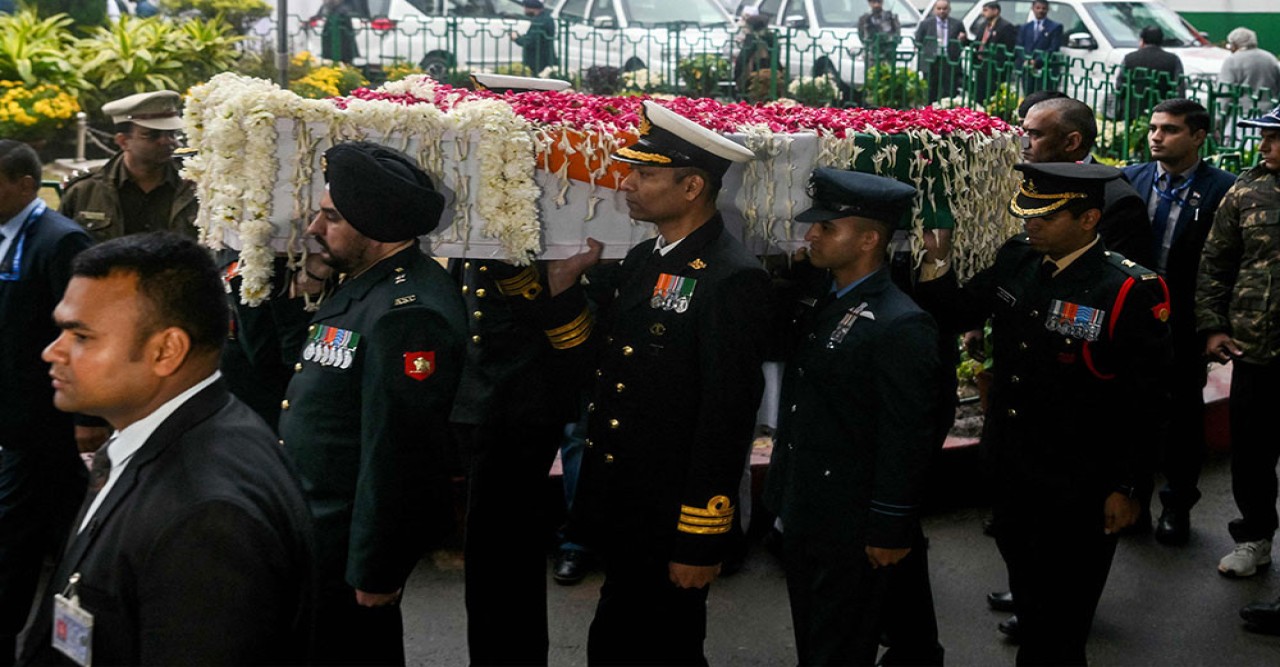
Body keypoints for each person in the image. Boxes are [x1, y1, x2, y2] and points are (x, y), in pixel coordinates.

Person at [917, 162, 1173, 665]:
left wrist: (1127, 487)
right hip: (1013, 468)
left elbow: (1146, 403)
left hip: (1080, 483)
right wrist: (936, 259)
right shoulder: (1018, 258)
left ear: (1088, 219)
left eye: (1046, 217)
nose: (1030, 225)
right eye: (1028, 214)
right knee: (1032, 602)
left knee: (1063, 624)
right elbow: (958, 311)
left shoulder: (1126, 289)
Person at [20, 232, 315, 665]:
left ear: (166, 350)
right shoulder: (199, 428)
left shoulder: (207, 520)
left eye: (80, 336)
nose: (52, 352)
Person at [544, 100, 770, 664]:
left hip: (671, 513)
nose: (627, 184)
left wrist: (699, 537)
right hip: (626, 503)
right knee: (617, 639)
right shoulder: (646, 257)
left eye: (645, 175)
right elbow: (606, 363)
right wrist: (563, 289)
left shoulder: (731, 277)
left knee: (668, 645)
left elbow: (726, 416)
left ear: (692, 187)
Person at [277, 141, 466, 665]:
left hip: (346, 542)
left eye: (332, 217)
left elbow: (399, 452)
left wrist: (375, 568)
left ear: (376, 225)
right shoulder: (365, 286)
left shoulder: (407, 311)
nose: (314, 227)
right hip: (318, 528)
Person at [765, 168, 947, 666]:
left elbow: (907, 435)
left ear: (869, 240)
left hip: (851, 522)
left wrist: (890, 526)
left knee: (837, 651)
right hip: (808, 508)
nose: (811, 235)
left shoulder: (900, 322)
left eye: (827, 227)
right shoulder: (824, 296)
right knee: (815, 643)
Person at [448, 73, 589, 666]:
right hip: (482, 397)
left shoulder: (560, 196)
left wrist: (530, 280)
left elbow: (569, 322)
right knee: (490, 552)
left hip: (522, 402)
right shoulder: (486, 195)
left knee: (504, 552)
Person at [1121, 99, 1237, 546]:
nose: (1156, 136)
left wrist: (1215, 323)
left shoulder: (1222, 189)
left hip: (1186, 321)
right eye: (1154, 127)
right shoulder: (1131, 178)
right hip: (1132, 319)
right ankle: (1132, 499)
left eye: (1169, 129)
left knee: (1183, 419)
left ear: (1198, 136)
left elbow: (1228, 264)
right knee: (1130, 413)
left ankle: (1176, 505)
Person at [0, 141, 92, 667]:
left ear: (26, 185)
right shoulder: (8, 235)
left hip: (41, 419)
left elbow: (83, 330)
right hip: (15, 418)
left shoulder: (60, 239)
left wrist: (86, 416)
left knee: (14, 535)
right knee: (64, 517)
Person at [1195, 106, 1280, 586]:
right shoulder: (1248, 191)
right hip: (1256, 349)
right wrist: (1212, 326)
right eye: (1264, 135)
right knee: (1252, 453)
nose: (1264, 145)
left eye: (1275, 137)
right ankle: (1254, 537)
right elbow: (1215, 262)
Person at [1020, 96, 1155, 268]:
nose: (1024, 143)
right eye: (1024, 132)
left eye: (1035, 134)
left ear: (1072, 142)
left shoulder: (1118, 200)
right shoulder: (1027, 179)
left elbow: (1112, 273)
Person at [59, 91, 197, 242]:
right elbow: (62, 245)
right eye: (152, 135)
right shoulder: (85, 190)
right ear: (123, 141)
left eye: (172, 134)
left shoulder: (194, 185)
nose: (167, 141)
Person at [1116, 26, 1184, 120]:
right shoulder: (1173, 59)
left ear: (1142, 41)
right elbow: (1179, 87)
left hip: (1133, 113)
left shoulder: (1129, 58)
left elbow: (1120, 86)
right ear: (1161, 41)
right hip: (1163, 114)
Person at [1218, 28, 1280, 118]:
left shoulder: (1232, 60)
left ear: (1234, 44)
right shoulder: (1270, 58)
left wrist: (1219, 115)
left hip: (1242, 113)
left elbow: (1225, 91)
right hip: (1269, 113)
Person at [913, 0, 968, 103]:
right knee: (930, 89)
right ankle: (930, 109)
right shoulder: (926, 24)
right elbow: (918, 40)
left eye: (944, 9)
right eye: (939, 9)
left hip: (949, 60)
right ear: (934, 10)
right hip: (932, 60)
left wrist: (963, 39)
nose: (942, 11)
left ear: (949, 9)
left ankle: (947, 109)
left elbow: (964, 42)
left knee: (949, 89)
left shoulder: (957, 24)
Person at [970, 1, 1018, 103]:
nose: (983, 13)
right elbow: (977, 42)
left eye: (986, 10)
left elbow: (1009, 48)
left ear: (995, 11)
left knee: (992, 94)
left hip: (995, 67)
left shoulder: (1005, 27)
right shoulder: (984, 25)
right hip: (981, 65)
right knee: (979, 93)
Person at [1015, 0, 1063, 95]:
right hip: (1027, 69)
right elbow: (1019, 46)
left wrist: (1037, 61)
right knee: (1028, 96)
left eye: (1043, 8)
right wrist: (1026, 60)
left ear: (1048, 9)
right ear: (1032, 8)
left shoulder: (1055, 27)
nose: (1040, 11)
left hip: (1045, 70)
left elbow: (1054, 48)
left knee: (1043, 97)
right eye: (1038, 8)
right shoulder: (1025, 27)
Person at [734, 11, 777, 97]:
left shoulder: (751, 39)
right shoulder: (771, 38)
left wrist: (737, 76)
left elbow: (742, 59)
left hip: (753, 76)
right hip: (771, 74)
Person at [510, 0, 556, 76]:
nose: (524, 10)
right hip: (546, 58)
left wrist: (516, 38)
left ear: (532, 8)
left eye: (526, 8)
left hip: (538, 61)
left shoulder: (539, 21)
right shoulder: (548, 18)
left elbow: (530, 41)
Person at [857, 0, 901, 69]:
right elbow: (861, 36)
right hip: (872, 55)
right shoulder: (864, 19)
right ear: (869, 3)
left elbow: (897, 34)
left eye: (879, 2)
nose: (876, 5)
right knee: (872, 73)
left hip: (888, 54)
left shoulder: (891, 17)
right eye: (873, 2)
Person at [316, 0, 359, 65]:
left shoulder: (344, 8)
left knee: (342, 61)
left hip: (341, 45)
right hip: (334, 42)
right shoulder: (329, 9)